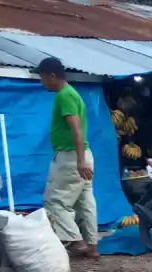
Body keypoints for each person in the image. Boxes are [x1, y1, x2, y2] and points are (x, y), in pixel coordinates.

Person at [35, 57, 98, 259]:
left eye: (42, 77)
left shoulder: (64, 96)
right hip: (82, 155)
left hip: (71, 157)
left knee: (54, 201)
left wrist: (80, 161)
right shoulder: (72, 94)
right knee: (85, 201)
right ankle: (92, 245)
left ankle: (75, 241)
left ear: (52, 76)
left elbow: (76, 130)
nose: (42, 82)